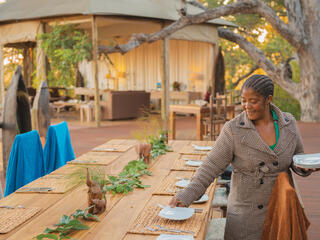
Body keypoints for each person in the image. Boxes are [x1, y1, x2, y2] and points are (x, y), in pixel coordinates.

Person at [169, 74, 319, 240]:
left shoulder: (288, 123)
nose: (246, 106)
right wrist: (187, 195)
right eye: (243, 100)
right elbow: (210, 166)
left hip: (281, 209)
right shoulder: (233, 130)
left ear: (268, 99)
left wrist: (305, 167)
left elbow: (298, 157)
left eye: (253, 101)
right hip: (245, 215)